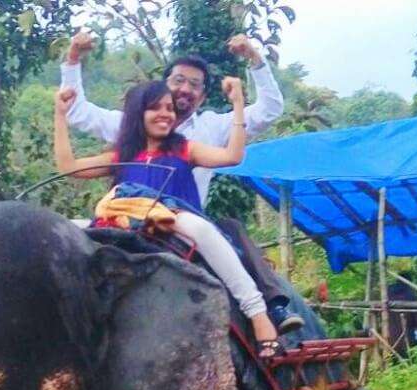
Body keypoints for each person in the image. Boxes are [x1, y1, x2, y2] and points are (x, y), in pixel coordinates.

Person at [61, 32, 302, 333]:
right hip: (125, 215)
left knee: (228, 230)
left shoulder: (210, 128)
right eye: (178, 80)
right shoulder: (132, 128)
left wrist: (253, 60)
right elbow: (78, 114)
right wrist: (72, 59)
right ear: (163, 87)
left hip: (182, 218)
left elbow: (267, 112)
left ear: (202, 97)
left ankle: (268, 308)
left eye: (195, 84)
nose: (185, 88)